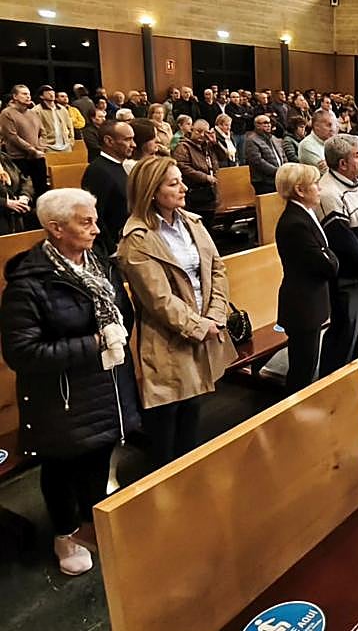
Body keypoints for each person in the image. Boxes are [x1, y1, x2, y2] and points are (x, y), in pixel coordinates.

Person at [0, 188, 140, 576]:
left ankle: (93, 524)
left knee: (98, 459)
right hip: (61, 397)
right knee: (62, 468)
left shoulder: (99, 266)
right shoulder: (29, 284)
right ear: (56, 228)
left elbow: (122, 313)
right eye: (85, 222)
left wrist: (112, 340)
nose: (96, 228)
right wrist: (94, 343)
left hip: (107, 384)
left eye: (95, 220)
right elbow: (22, 353)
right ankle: (65, 533)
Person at [117, 157, 236, 465]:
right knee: (168, 418)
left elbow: (217, 269)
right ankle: (165, 482)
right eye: (173, 183)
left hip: (204, 324)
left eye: (181, 180)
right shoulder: (137, 239)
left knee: (192, 410)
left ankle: (188, 476)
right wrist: (200, 326)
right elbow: (159, 300)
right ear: (151, 191)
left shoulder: (192, 222)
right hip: (168, 337)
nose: (184, 188)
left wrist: (215, 316)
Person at [318, 134, 358, 376]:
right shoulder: (329, 192)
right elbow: (343, 241)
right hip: (350, 277)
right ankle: (330, 384)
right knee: (345, 333)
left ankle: (357, 379)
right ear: (342, 163)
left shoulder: (356, 182)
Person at [273, 163, 339, 393]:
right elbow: (327, 264)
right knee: (302, 368)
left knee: (308, 363)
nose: (320, 188)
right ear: (300, 190)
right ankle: (293, 408)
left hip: (310, 300)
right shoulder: (295, 223)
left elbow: (325, 253)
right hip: (302, 305)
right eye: (315, 184)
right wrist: (330, 257)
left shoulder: (304, 214)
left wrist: (328, 255)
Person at [81, 120, 135, 258]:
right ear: (109, 141)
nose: (133, 144)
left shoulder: (117, 166)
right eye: (127, 139)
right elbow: (95, 215)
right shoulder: (98, 171)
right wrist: (112, 250)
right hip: (113, 250)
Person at [173, 119, 223, 228]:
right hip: (194, 194)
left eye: (205, 132)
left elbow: (224, 157)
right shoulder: (183, 146)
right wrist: (205, 177)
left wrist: (215, 143)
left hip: (211, 193)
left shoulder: (208, 146)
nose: (201, 135)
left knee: (210, 226)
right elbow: (183, 167)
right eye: (198, 131)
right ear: (192, 130)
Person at [1, 84, 48, 198]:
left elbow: (43, 133)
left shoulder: (33, 113)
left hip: (38, 157)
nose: (28, 96)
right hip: (19, 159)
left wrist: (40, 148)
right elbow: (12, 136)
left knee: (42, 189)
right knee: (24, 192)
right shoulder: (7, 113)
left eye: (29, 94)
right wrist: (32, 150)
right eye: (24, 94)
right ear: (15, 96)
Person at [244, 113, 287, 194]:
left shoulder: (274, 139)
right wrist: (277, 171)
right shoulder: (251, 140)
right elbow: (258, 161)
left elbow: (283, 155)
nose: (268, 125)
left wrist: (285, 169)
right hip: (264, 181)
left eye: (269, 123)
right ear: (257, 125)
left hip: (278, 178)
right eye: (265, 123)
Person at [0, 148, 34, 234]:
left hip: (17, 211)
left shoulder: (4, 157)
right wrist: (5, 203)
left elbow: (25, 180)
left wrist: (25, 196)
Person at [33, 84, 74, 153]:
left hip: (66, 146)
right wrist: (41, 145)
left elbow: (70, 126)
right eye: (47, 91)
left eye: (52, 91)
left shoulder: (62, 109)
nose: (51, 93)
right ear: (41, 96)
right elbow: (35, 131)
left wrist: (71, 141)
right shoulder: (36, 110)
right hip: (48, 147)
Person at [299, 109, 336, 173]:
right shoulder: (306, 145)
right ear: (316, 126)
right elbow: (327, 172)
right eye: (329, 125)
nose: (332, 129)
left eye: (334, 125)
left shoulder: (332, 142)